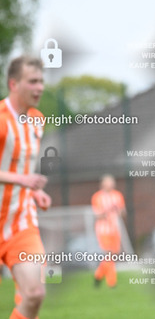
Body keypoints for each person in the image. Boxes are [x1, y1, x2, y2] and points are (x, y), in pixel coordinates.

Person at [0, 56, 52, 319]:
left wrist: (34, 191)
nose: (39, 87)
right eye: (32, 81)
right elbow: (19, 176)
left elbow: (22, 168)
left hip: (20, 222)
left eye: (41, 81)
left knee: (34, 294)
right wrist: (21, 180)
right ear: (13, 84)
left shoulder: (37, 120)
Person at [91, 174, 125, 288]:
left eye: (112, 182)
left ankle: (98, 275)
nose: (111, 184)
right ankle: (112, 282)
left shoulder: (118, 195)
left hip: (115, 229)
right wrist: (109, 209)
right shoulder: (97, 197)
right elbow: (98, 215)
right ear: (103, 184)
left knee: (113, 255)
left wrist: (119, 210)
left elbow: (123, 212)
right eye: (109, 182)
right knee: (109, 254)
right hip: (103, 230)